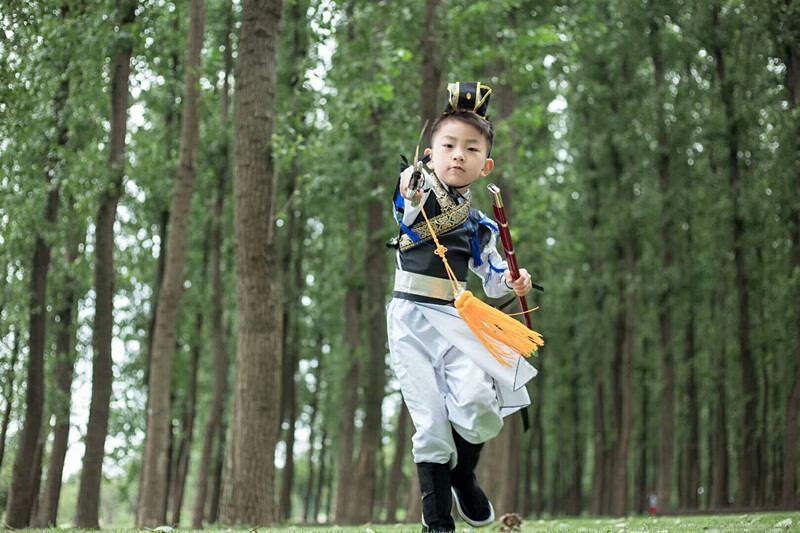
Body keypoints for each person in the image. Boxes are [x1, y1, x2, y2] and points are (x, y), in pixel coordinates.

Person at [386, 82, 540, 533]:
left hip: (457, 319)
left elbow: (493, 284)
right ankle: (437, 524)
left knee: (479, 406)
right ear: (430, 154)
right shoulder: (415, 193)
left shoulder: (480, 223)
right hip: (410, 321)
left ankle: (462, 474)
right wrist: (410, 189)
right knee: (431, 423)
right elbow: (406, 206)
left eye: (470, 148)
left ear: (485, 163)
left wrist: (516, 279)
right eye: (448, 145)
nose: (458, 155)